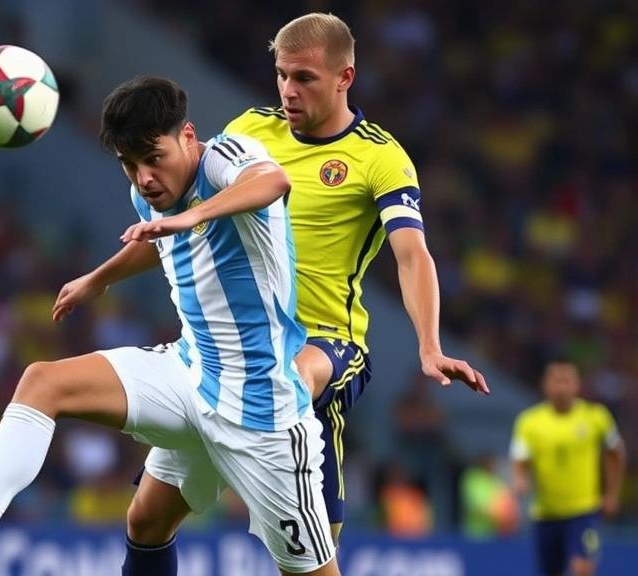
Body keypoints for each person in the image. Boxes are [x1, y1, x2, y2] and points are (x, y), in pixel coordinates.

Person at [55, 12, 490, 575]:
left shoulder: (379, 157)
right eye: (282, 75)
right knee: (145, 522)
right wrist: (101, 277)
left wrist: (428, 345)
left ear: (344, 78)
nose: (288, 89)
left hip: (326, 345)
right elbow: (180, 221)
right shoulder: (248, 131)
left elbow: (412, 255)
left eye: (305, 77)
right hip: (239, 344)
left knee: (307, 546)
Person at [0, 76, 341, 576]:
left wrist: (191, 217)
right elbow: (154, 239)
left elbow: (273, 182)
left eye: (153, 158)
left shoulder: (227, 156)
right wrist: (98, 279)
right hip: (191, 373)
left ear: (187, 136)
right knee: (50, 392)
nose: (143, 178)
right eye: (128, 165)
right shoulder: (153, 192)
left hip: (259, 407)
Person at [510, 359, 626, 576]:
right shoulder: (529, 422)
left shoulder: (596, 418)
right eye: (556, 380)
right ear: (545, 384)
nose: (561, 386)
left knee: (582, 568)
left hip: (583, 512)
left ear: (577, 384)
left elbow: (615, 453)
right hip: (545, 514)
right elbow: (520, 458)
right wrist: (520, 479)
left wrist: (611, 493)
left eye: (566, 380)